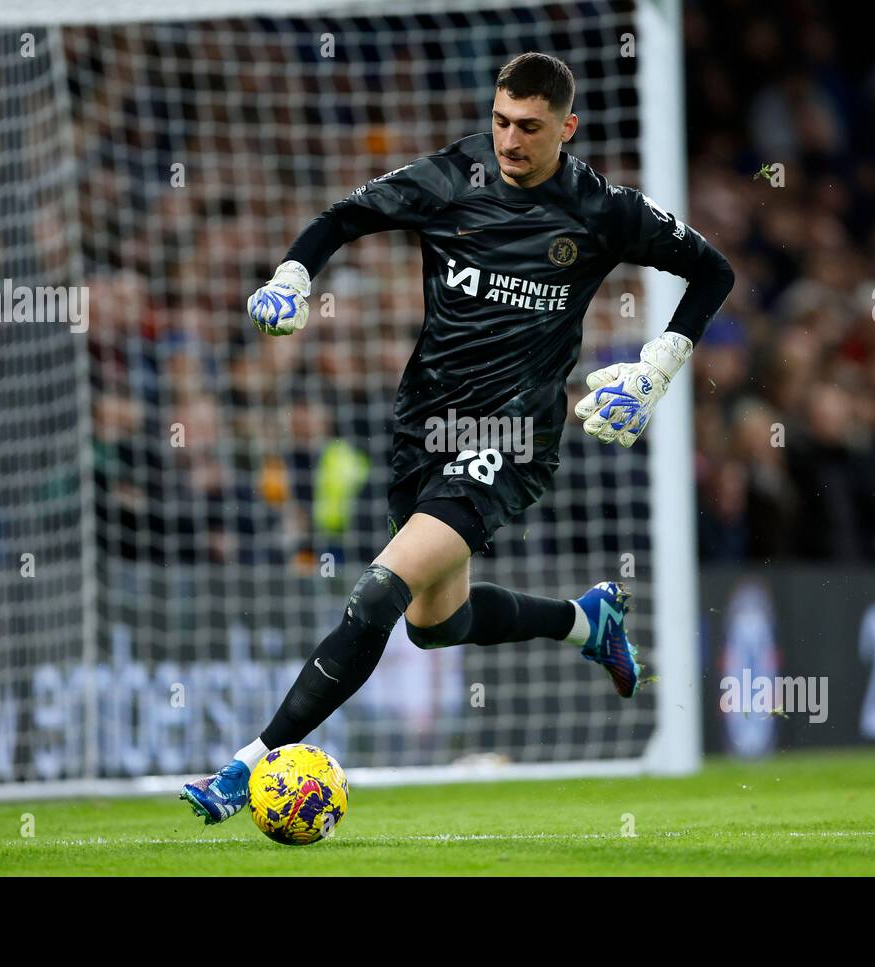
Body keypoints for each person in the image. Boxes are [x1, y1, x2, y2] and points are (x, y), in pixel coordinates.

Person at [182, 52, 734, 823]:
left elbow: (712, 271)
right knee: (435, 624)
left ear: (566, 129)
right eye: (502, 120)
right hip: (424, 426)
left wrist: (660, 362)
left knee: (377, 591)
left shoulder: (601, 209)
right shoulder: (450, 177)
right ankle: (586, 621)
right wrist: (293, 275)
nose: (510, 139)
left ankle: (247, 764)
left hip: (511, 433)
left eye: (530, 128)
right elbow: (342, 218)